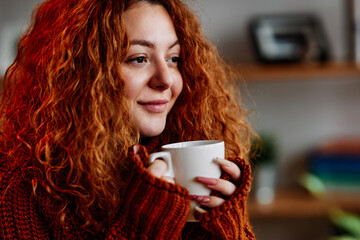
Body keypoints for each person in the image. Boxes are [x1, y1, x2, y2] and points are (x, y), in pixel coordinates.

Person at [0, 0, 256, 239]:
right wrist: (139, 227)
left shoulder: (185, 146)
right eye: (139, 59)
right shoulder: (17, 188)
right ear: (79, 74)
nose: (166, 79)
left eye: (173, 58)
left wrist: (229, 230)